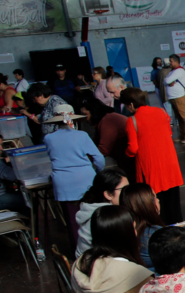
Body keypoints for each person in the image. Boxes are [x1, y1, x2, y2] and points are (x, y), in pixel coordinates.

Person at [42, 104, 105, 251]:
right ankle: (98, 247)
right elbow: (99, 158)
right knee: (92, 214)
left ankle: (78, 251)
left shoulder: (49, 138)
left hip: (63, 181)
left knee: (72, 219)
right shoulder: (82, 135)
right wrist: (98, 172)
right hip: (85, 178)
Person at [121, 182, 185, 271]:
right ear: (147, 206)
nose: (158, 200)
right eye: (154, 198)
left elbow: (171, 238)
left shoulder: (129, 228)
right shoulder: (152, 234)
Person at [123, 87, 184, 225]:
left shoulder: (132, 121)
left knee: (156, 207)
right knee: (174, 205)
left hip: (150, 169)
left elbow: (133, 148)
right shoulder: (161, 112)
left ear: (131, 105)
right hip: (170, 165)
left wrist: (126, 154)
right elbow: (169, 133)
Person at [74, 168, 129, 257]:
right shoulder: (105, 215)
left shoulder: (91, 207)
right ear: (108, 194)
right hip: (93, 266)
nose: (128, 193)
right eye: (123, 189)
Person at [80, 99, 134, 180]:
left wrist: (83, 161)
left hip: (131, 160)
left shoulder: (107, 121)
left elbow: (103, 149)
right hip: (126, 159)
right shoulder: (104, 121)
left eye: (86, 115)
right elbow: (95, 143)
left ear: (93, 111)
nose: (85, 119)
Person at [0, 131, 28, 215]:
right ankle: (22, 225)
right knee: (29, 201)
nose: (1, 148)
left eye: (1, 145)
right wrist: (20, 164)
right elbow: (11, 176)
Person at [164, 54, 185, 143]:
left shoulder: (179, 70)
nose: (169, 63)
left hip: (179, 97)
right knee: (179, 117)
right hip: (173, 97)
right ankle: (182, 134)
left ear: (176, 62)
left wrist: (168, 81)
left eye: (171, 61)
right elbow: (164, 81)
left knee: (184, 116)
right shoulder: (172, 71)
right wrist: (168, 81)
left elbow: (167, 80)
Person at [150, 58, 173, 124]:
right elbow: (154, 81)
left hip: (165, 88)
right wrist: (161, 87)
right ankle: (167, 118)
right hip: (160, 88)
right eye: (158, 62)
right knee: (163, 102)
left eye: (160, 61)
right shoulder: (154, 71)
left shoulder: (163, 70)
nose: (160, 63)